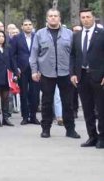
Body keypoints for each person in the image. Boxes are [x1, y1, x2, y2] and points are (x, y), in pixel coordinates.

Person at [30, 8, 79, 140]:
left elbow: (74, 55)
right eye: (50, 16)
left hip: (65, 73)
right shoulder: (40, 34)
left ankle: (70, 129)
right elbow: (34, 54)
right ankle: (46, 129)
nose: (53, 18)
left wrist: (74, 72)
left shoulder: (69, 34)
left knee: (67, 103)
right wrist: (34, 71)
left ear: (59, 18)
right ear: (47, 18)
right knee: (46, 102)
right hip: (46, 73)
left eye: (55, 16)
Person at [71, 9, 103, 148]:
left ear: (93, 18)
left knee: (101, 109)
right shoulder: (77, 36)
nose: (85, 19)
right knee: (87, 108)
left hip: (98, 76)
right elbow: (73, 55)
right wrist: (72, 73)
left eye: (88, 17)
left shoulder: (101, 34)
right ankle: (92, 136)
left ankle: (102, 137)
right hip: (82, 76)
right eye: (83, 17)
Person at [11, 19, 39, 125]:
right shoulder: (16, 38)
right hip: (21, 70)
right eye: (25, 25)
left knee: (35, 94)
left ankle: (33, 116)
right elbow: (12, 55)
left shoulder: (37, 36)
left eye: (30, 25)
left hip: (35, 69)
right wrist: (15, 69)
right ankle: (25, 117)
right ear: (22, 27)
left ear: (32, 26)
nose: (28, 26)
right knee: (23, 94)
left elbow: (41, 53)